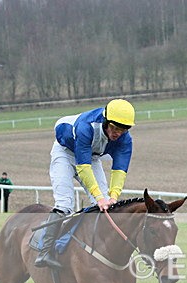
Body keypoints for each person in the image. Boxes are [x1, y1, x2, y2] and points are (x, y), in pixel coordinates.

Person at [35, 98, 136, 268]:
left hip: (93, 157)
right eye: (114, 128)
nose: (117, 133)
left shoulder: (125, 140)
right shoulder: (86, 126)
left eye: (122, 129)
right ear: (106, 121)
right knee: (65, 203)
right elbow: (83, 167)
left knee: (106, 205)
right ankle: (44, 252)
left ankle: (97, 250)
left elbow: (119, 170)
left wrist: (113, 196)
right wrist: (98, 197)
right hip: (65, 153)